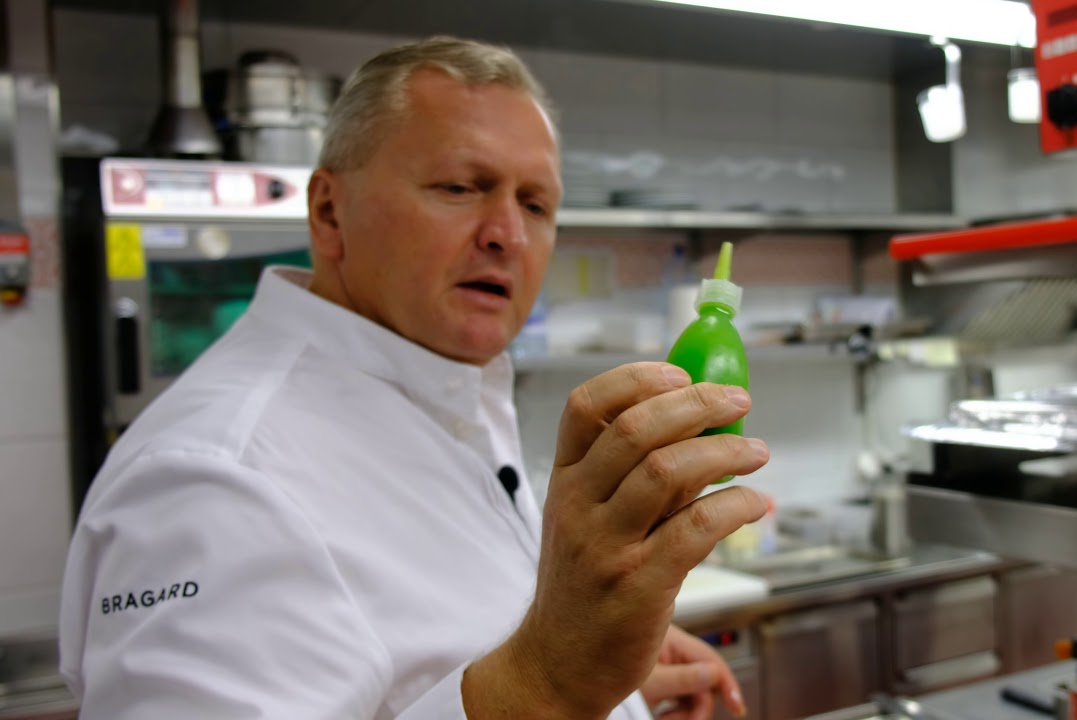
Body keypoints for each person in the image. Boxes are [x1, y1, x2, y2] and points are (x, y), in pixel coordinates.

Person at [59, 35, 771, 720]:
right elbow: (526, 683)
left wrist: (607, 678)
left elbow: (436, 652)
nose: (508, 235)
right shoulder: (216, 482)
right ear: (329, 212)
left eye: (535, 204)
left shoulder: (445, 393)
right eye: (462, 187)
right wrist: (551, 680)